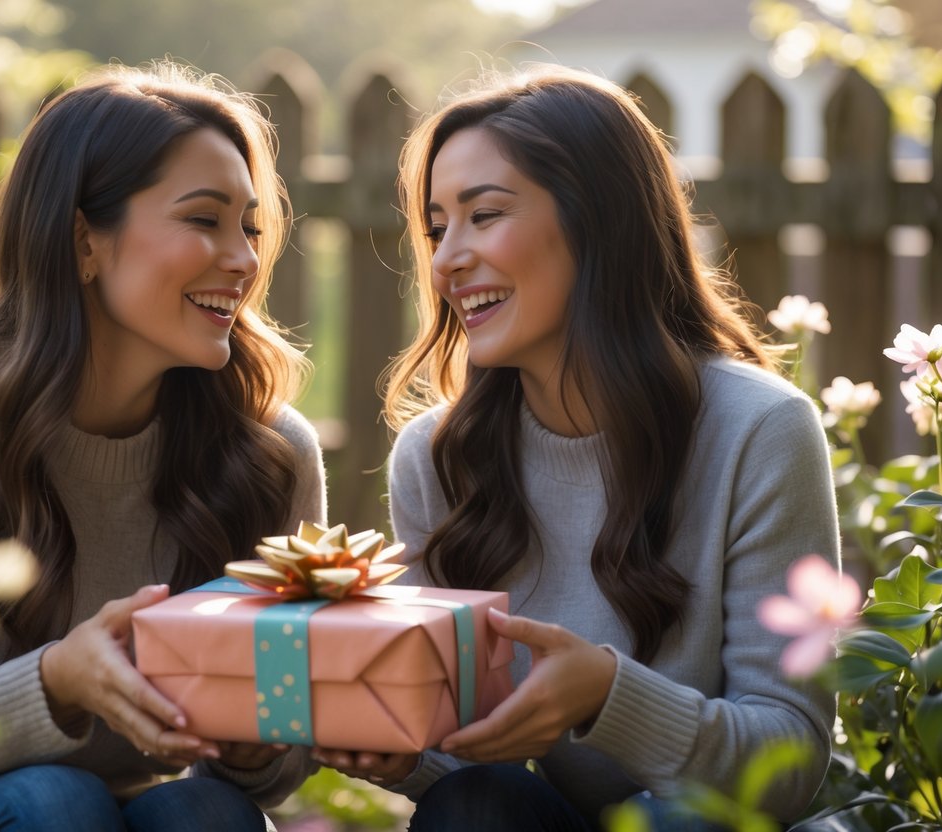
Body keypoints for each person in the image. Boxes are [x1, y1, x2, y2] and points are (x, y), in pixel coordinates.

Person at [312, 65, 839, 829]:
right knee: (471, 805)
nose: (446, 260)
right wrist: (396, 742)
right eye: (435, 228)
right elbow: (468, 764)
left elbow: (786, 757)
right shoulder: (435, 456)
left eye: (483, 214)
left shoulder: (758, 430)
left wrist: (605, 695)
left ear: (599, 221)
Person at [0, 62, 324, 832]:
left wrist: (255, 740)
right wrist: (55, 681)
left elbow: (274, 768)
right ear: (85, 239)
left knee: (209, 813)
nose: (244, 259)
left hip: (120, 816)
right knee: (56, 803)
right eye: (203, 220)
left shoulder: (269, 448)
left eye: (250, 227)